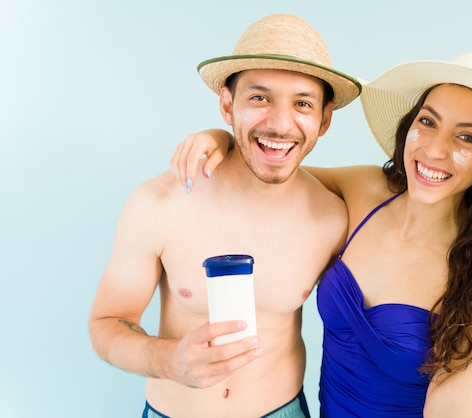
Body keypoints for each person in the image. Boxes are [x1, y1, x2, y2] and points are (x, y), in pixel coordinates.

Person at [170, 52, 472, 417]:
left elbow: (446, 413)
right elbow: (275, 168)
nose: (434, 149)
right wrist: (222, 138)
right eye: (427, 122)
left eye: (467, 137)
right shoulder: (368, 191)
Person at [88, 13, 361, 418]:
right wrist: (165, 360)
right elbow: (107, 322)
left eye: (302, 103)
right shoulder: (159, 203)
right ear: (226, 103)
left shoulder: (333, 219)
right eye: (259, 98)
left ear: (324, 119)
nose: (281, 123)